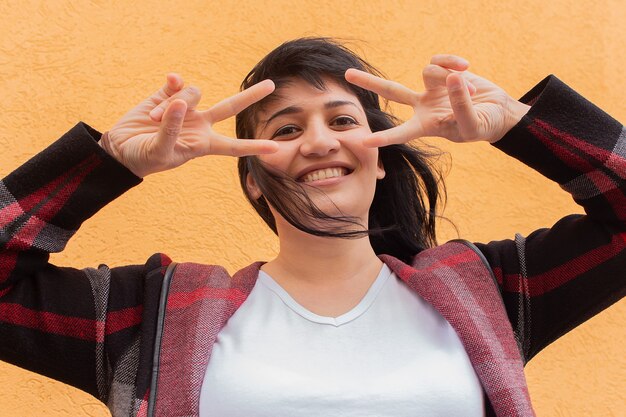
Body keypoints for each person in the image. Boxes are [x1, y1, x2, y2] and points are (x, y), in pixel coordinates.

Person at [0, 38, 624, 417]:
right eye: (287, 129)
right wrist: (105, 162)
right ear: (251, 178)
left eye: (344, 121)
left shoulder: (487, 291)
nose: (320, 142)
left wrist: (518, 124)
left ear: (380, 157)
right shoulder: (156, 316)